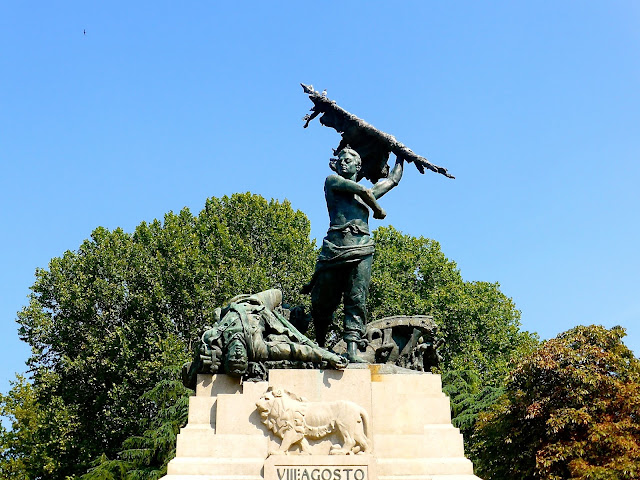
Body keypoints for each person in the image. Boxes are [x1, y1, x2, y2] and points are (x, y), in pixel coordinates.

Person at [303, 147, 403, 362]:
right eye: (340, 161)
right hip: (335, 248)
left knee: (357, 298)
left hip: (362, 247)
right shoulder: (332, 181)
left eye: (347, 161)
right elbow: (366, 192)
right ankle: (320, 346)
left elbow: (393, 180)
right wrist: (378, 211)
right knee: (323, 302)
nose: (342, 164)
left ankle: (352, 350)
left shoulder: (362, 195)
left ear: (358, 166)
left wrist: (401, 155)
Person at [183, 289, 348, 385]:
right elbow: (295, 350)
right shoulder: (257, 349)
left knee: (279, 292)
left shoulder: (214, 338)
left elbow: (195, 366)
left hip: (234, 303)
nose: (239, 355)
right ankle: (287, 311)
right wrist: (328, 356)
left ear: (226, 358)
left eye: (234, 359)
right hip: (259, 304)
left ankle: (287, 309)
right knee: (278, 294)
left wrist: (201, 362)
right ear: (248, 358)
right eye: (241, 360)